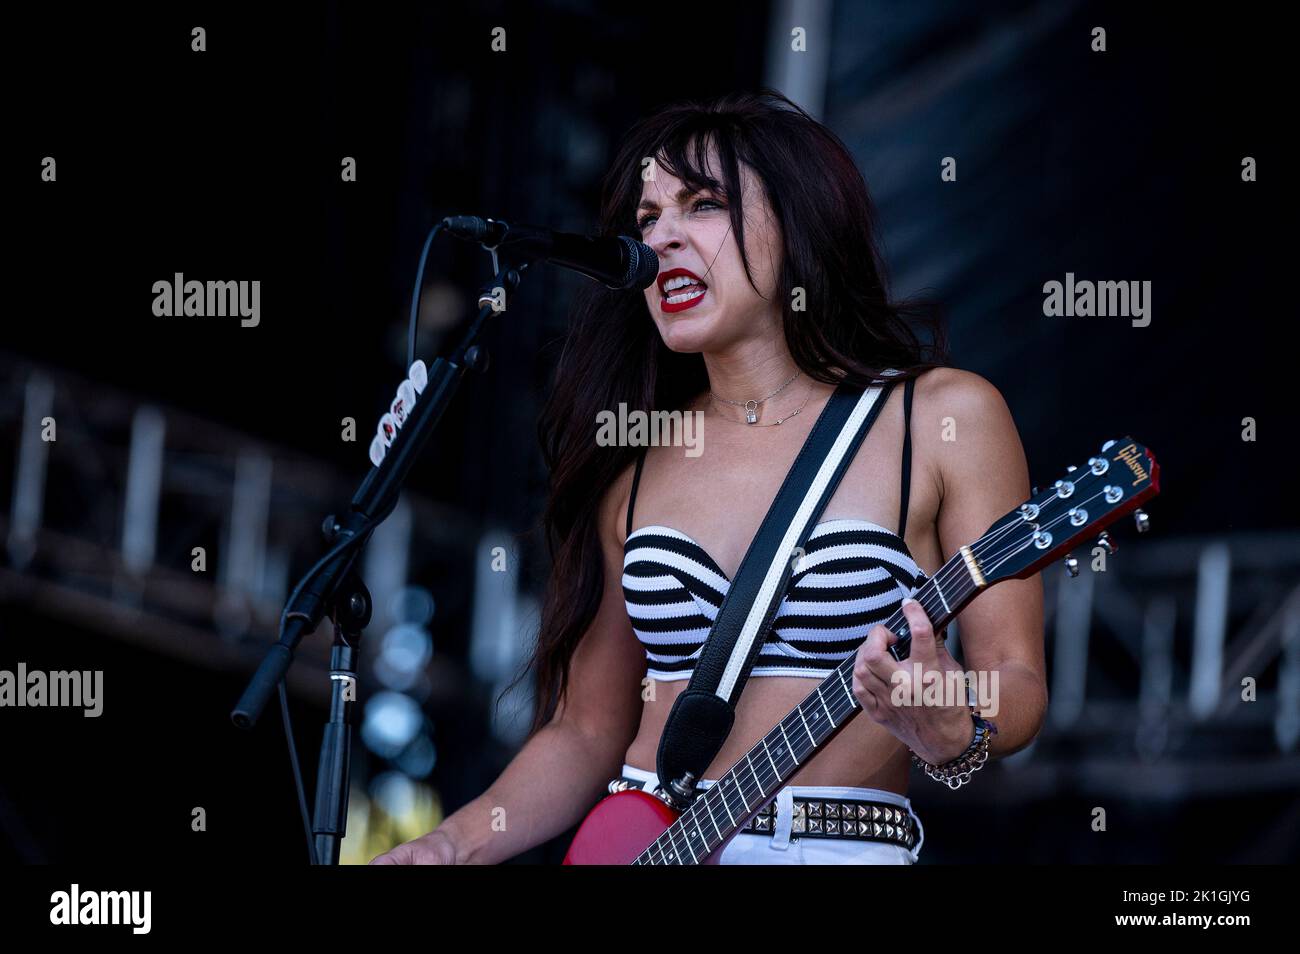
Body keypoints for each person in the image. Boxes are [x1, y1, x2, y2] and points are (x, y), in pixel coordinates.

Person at [372, 89, 1046, 865]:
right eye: (648, 220)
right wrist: (449, 845)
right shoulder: (635, 454)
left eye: (701, 205)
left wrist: (958, 723)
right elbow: (587, 730)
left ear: (799, 224)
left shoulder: (941, 417)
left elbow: (1017, 681)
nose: (662, 240)